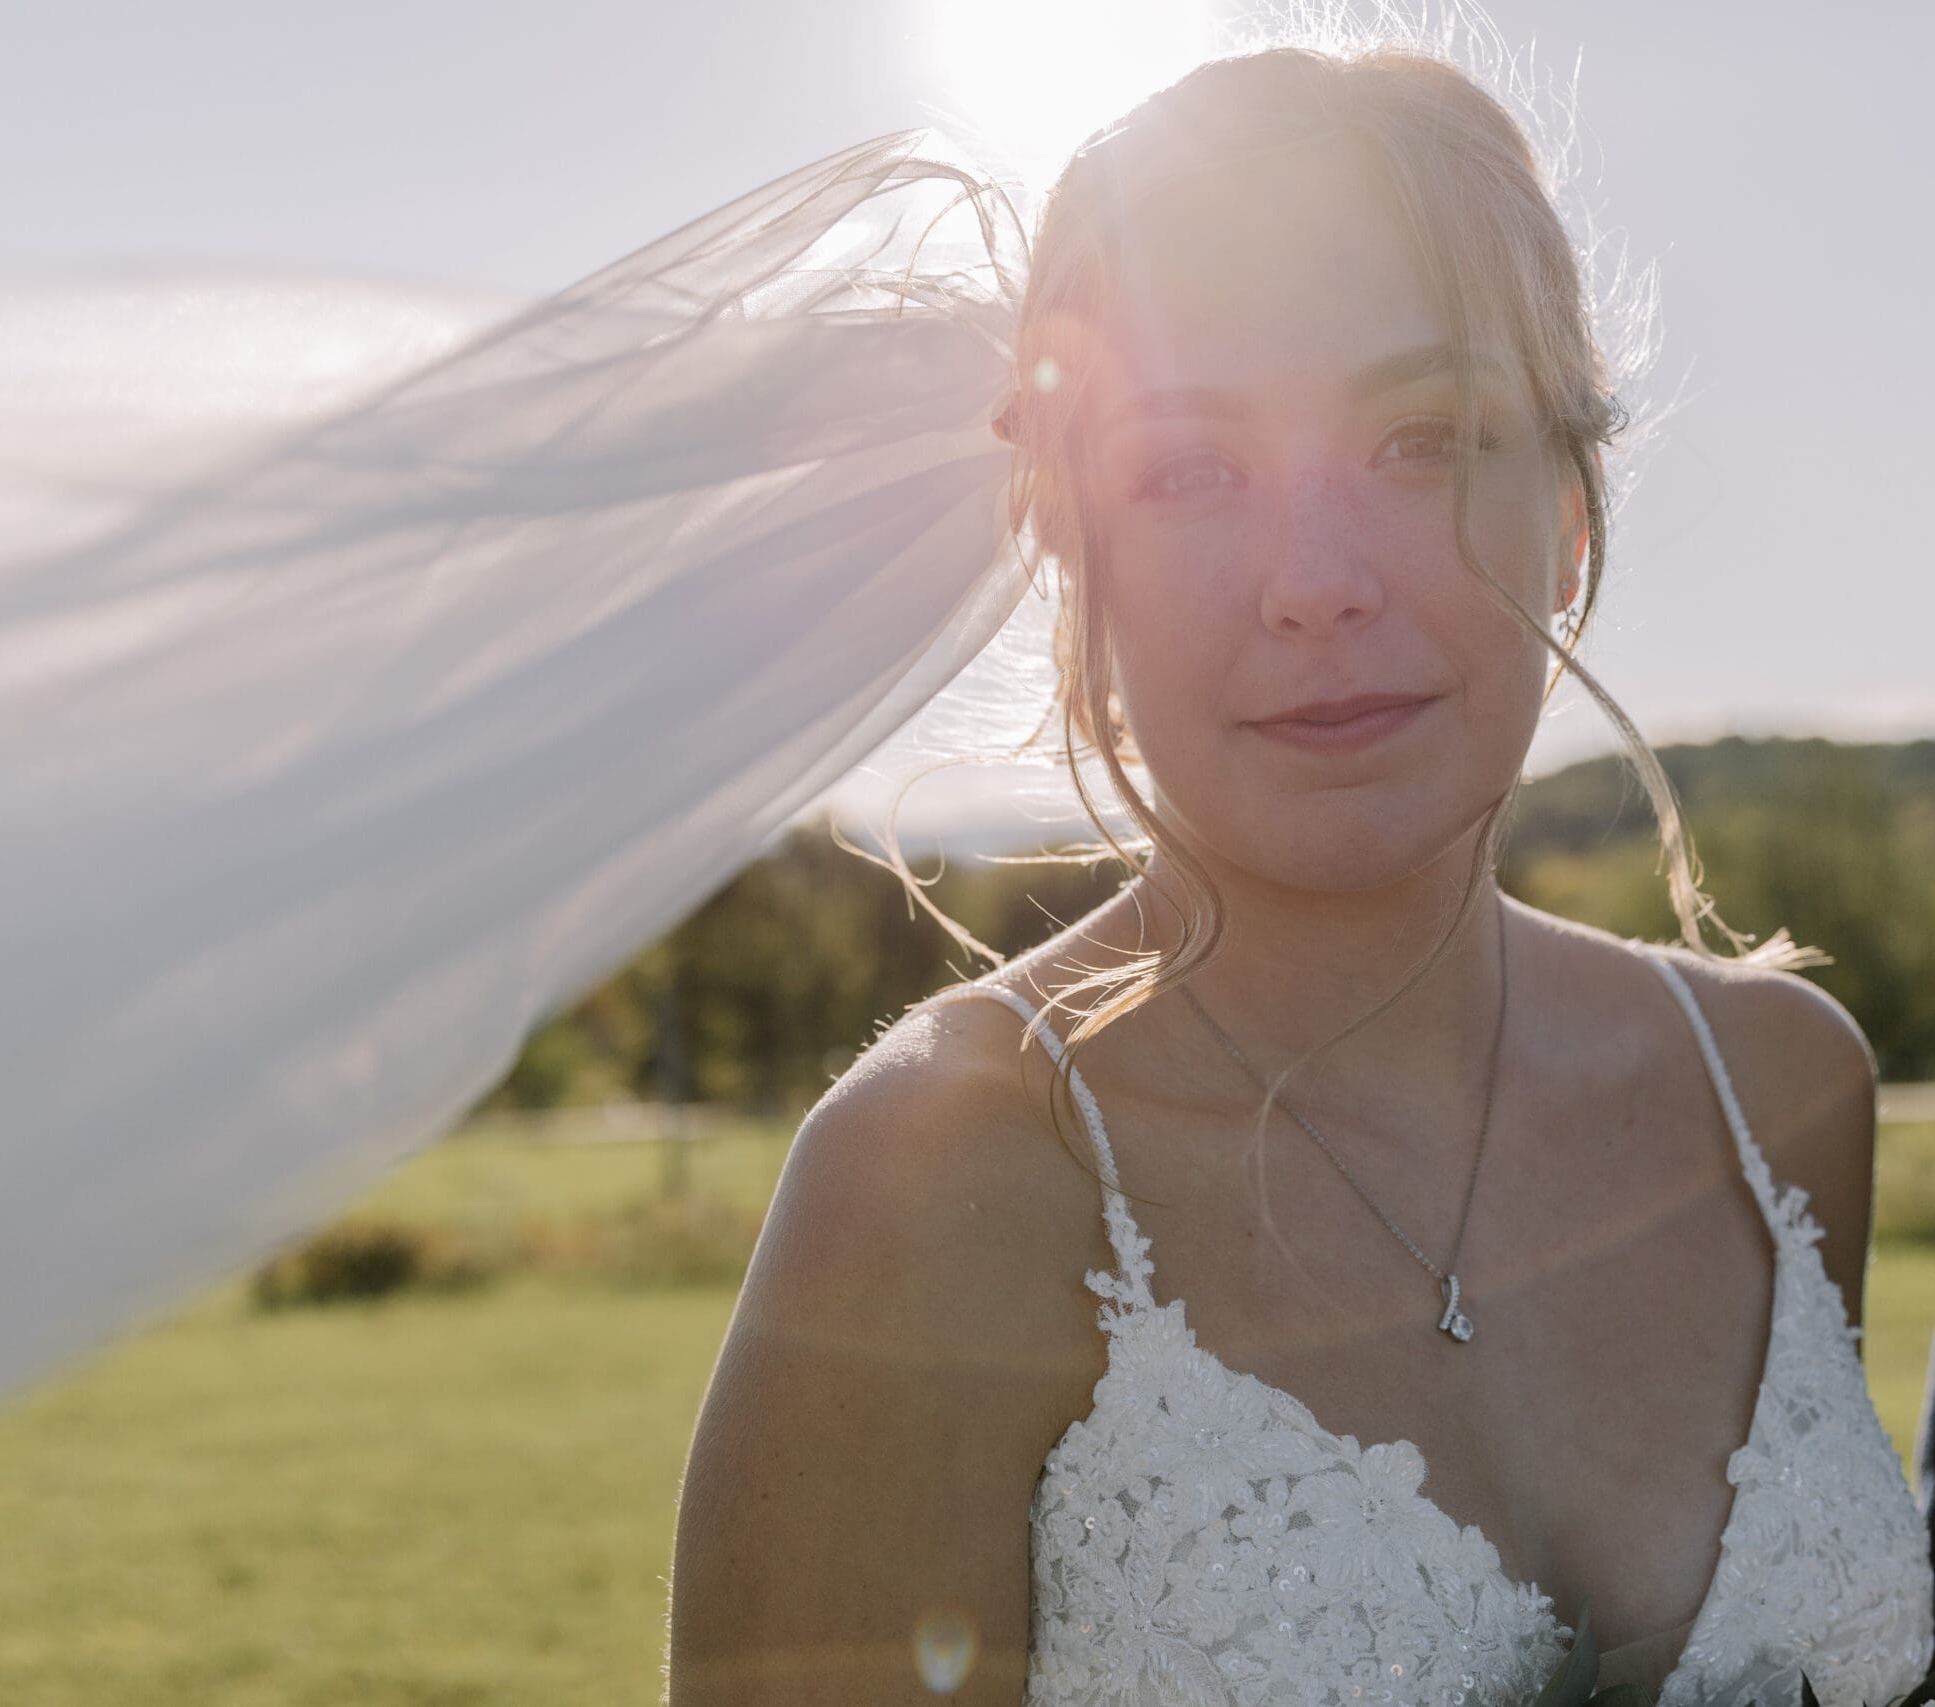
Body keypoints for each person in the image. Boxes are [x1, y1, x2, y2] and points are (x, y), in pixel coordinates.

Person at [667, 40, 1935, 1707]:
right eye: (1190, 468)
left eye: (1423, 436)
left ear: (1569, 499)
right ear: (1074, 550)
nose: (1314, 582)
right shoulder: (939, 1181)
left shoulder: (1780, 1095)